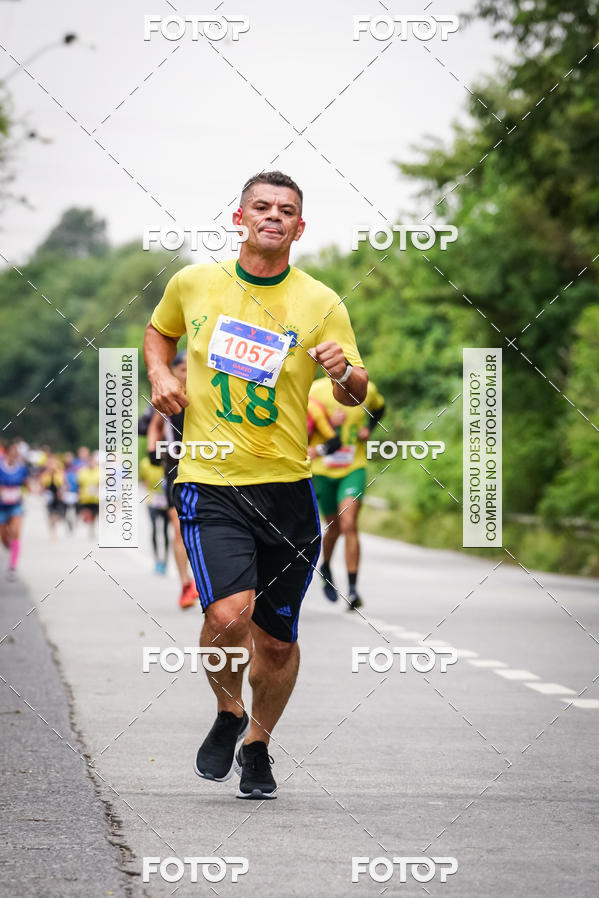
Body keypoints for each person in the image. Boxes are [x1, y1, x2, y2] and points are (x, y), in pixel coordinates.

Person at [144, 170, 368, 800]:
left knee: (275, 642)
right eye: (262, 206)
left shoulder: (321, 301)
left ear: (300, 227)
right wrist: (159, 373)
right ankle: (228, 711)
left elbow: (355, 393)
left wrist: (344, 371)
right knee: (227, 612)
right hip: (210, 480)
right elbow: (159, 332)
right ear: (239, 219)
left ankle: (259, 742)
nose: (274, 215)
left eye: (286, 210)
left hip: (288, 490)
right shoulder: (194, 283)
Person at [308, 377, 385, 610]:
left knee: (349, 523)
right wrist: (327, 424)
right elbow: (302, 424)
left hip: (353, 467)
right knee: (333, 527)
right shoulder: (314, 390)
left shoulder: (366, 389)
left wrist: (368, 428)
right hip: (322, 469)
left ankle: (352, 589)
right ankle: (326, 566)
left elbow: (380, 409)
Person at [146, 351, 199, 608]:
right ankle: (186, 584)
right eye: (183, 370)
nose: (187, 375)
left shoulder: (206, 393)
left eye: (192, 369)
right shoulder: (170, 396)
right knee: (178, 529)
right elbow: (155, 425)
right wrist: (152, 449)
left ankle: (205, 580)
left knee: (204, 526)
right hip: (175, 467)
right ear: (174, 372)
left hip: (206, 465)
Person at [0, 442, 29, 579]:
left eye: (16, 453)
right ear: (6, 453)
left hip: (16, 505)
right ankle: (10, 546)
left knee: (16, 533)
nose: (13, 455)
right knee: (4, 538)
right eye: (11, 453)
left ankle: (12, 567)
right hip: (1, 506)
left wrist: (23, 492)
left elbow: (26, 484)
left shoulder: (22, 469)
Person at [139, 454, 170, 574]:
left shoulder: (168, 462)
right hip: (152, 500)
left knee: (165, 531)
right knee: (154, 529)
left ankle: (165, 560)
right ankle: (157, 560)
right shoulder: (146, 463)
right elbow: (144, 480)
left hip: (166, 501)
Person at [39, 455, 66, 538]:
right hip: (50, 496)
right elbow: (42, 486)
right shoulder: (45, 474)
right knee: (50, 514)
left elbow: (64, 484)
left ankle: (56, 523)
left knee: (59, 515)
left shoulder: (60, 473)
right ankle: (53, 531)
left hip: (58, 496)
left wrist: (62, 492)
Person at [77, 453, 100, 535]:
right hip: (85, 497)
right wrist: (79, 493)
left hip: (95, 497)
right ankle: (86, 520)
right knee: (86, 512)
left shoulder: (99, 471)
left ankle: (92, 528)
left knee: (94, 515)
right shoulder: (82, 471)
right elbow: (79, 484)